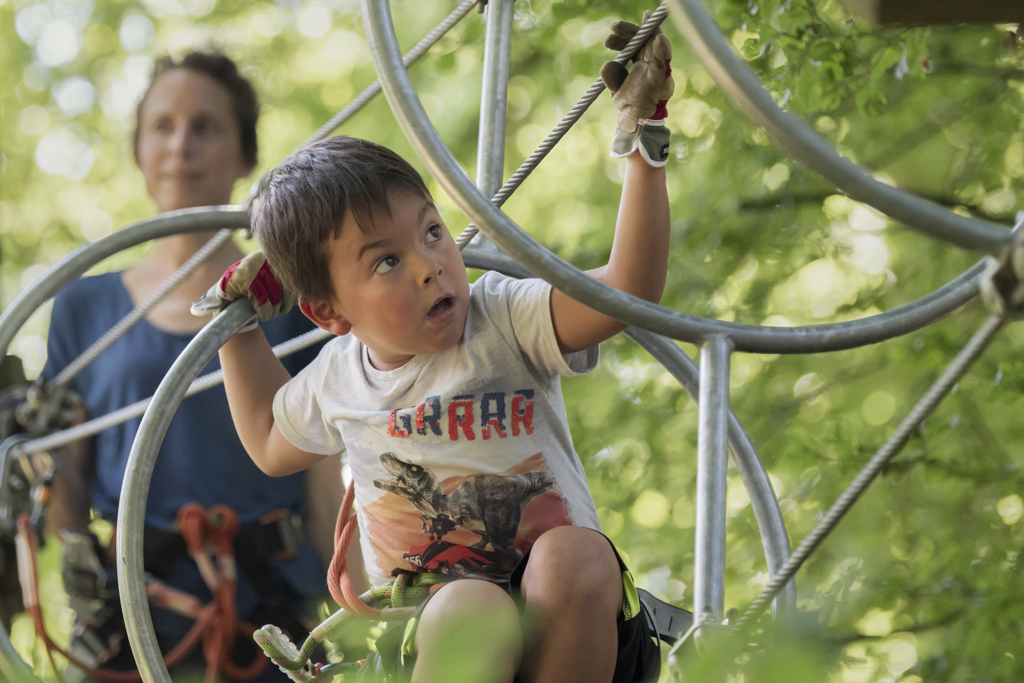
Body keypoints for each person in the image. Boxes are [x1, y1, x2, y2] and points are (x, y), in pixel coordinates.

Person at [211, 17, 672, 683]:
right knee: (471, 605)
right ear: (329, 312)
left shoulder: (504, 317)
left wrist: (643, 143)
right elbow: (265, 437)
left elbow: (629, 291)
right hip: (427, 635)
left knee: (574, 553)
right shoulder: (340, 379)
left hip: (567, 621)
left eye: (431, 231)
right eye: (387, 261)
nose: (430, 264)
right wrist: (240, 324)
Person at [42, 51, 342, 681]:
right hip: (126, 624)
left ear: (244, 156)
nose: (181, 145)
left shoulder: (294, 301)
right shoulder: (84, 309)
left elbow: (330, 480)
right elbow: (64, 484)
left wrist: (361, 617)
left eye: (205, 127)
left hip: (274, 622)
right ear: (139, 150)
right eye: (163, 126)